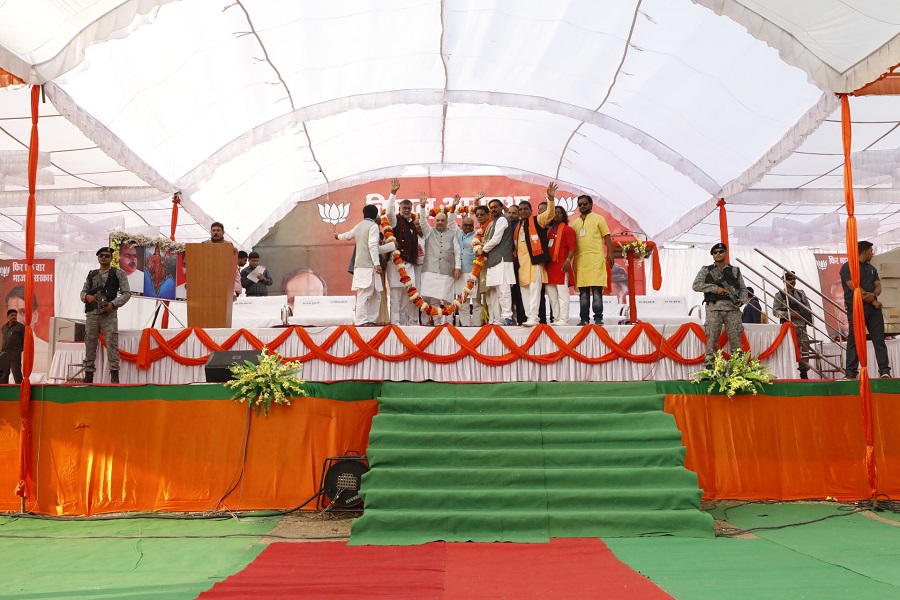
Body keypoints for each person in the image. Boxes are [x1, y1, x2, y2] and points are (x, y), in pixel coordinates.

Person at [80, 246, 131, 384]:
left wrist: (113, 304)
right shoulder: (92, 274)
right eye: (101, 255)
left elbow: (127, 293)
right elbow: (82, 292)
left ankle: (114, 376)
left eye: (107, 256)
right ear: (98, 257)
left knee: (111, 344)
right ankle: (89, 375)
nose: (104, 257)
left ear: (111, 258)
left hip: (109, 314)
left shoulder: (118, 273)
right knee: (90, 343)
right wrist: (87, 297)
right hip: (92, 314)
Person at [692, 242, 748, 366]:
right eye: (715, 252)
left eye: (721, 252)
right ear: (712, 255)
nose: (718, 254)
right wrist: (715, 289)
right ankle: (710, 367)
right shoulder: (706, 270)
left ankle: (737, 367)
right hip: (714, 309)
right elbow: (696, 285)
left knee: (735, 340)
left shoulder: (735, 271)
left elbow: (744, 290)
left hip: (732, 309)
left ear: (726, 253)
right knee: (712, 339)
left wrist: (741, 301)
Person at [841, 241, 891, 379]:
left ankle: (884, 371)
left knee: (879, 339)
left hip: (873, 310)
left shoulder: (872, 269)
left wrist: (874, 295)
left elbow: (878, 286)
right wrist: (873, 300)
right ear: (864, 251)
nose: (872, 253)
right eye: (870, 250)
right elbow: (854, 288)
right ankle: (850, 372)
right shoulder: (848, 267)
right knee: (855, 340)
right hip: (856, 309)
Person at [333, 204, 387, 325]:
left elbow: (347, 235)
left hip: (364, 267)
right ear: (375, 215)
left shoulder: (359, 226)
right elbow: (373, 246)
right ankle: (361, 321)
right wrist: (377, 264)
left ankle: (371, 320)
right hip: (369, 266)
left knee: (375, 294)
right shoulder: (373, 226)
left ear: (364, 214)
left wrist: (338, 236)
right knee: (366, 294)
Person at [513, 183, 556, 326]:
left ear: (531, 210)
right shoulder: (518, 226)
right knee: (525, 290)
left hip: (535, 262)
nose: (523, 211)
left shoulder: (537, 221)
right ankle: (529, 317)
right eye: (520, 209)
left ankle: (534, 317)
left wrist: (550, 199)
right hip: (522, 265)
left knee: (534, 290)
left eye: (526, 209)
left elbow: (550, 214)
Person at [571, 195, 615, 325]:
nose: (582, 206)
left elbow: (607, 237)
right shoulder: (575, 223)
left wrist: (610, 253)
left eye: (585, 204)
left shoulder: (599, 219)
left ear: (591, 205)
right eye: (580, 205)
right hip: (581, 260)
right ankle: (584, 319)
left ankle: (598, 318)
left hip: (596, 259)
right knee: (583, 293)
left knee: (596, 291)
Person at [418, 193, 461, 324]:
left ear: (446, 222)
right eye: (438, 220)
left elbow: (457, 251)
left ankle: (448, 322)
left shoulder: (452, 233)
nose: (440, 222)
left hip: (447, 270)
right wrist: (422, 205)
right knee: (433, 299)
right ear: (434, 221)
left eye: (443, 220)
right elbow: (422, 222)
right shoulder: (429, 232)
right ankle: (437, 323)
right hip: (431, 269)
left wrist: (457, 267)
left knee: (448, 299)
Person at [384, 179, 422, 325]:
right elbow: (388, 212)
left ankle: (405, 325)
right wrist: (393, 193)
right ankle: (395, 325)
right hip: (395, 264)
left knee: (408, 295)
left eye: (409, 208)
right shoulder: (395, 221)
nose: (406, 210)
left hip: (410, 265)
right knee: (395, 296)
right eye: (404, 208)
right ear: (399, 208)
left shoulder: (412, 224)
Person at [477, 199, 516, 325]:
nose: (493, 209)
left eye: (495, 207)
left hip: (503, 259)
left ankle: (507, 317)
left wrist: (482, 250)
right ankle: (502, 317)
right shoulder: (495, 221)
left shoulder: (502, 219)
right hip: (495, 260)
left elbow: (496, 239)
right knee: (499, 291)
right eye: (491, 208)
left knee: (504, 290)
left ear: (501, 207)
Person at [772, 272, 813, 378]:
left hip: (802, 326)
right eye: (790, 279)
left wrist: (804, 316)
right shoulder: (780, 295)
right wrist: (790, 314)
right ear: (784, 280)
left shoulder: (800, 293)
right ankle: (786, 373)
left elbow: (808, 308)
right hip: (788, 327)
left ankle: (804, 373)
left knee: (804, 349)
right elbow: (775, 312)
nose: (793, 281)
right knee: (787, 350)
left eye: (794, 279)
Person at [545, 205, 576, 326]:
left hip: (561, 265)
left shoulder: (568, 230)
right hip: (549, 266)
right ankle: (556, 318)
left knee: (562, 294)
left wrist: (568, 260)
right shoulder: (548, 230)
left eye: (559, 212)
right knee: (552, 295)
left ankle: (564, 319)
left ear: (564, 215)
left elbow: (573, 247)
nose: (556, 214)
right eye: (554, 212)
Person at [205, 221, 242, 299]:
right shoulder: (204, 245)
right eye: (213, 230)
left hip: (224, 284)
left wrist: (236, 289)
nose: (216, 232)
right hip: (208, 284)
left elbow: (234, 269)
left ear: (223, 232)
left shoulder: (229, 246)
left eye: (218, 230)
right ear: (210, 232)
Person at [0, 308, 25, 384]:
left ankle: (21, 393)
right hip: (4, 355)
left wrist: (20, 350)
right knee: (3, 377)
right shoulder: (4, 327)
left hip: (15, 355)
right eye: (12, 315)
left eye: (15, 315)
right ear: (7, 317)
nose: (14, 317)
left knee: (17, 376)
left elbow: (24, 340)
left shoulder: (21, 327)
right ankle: (4, 394)